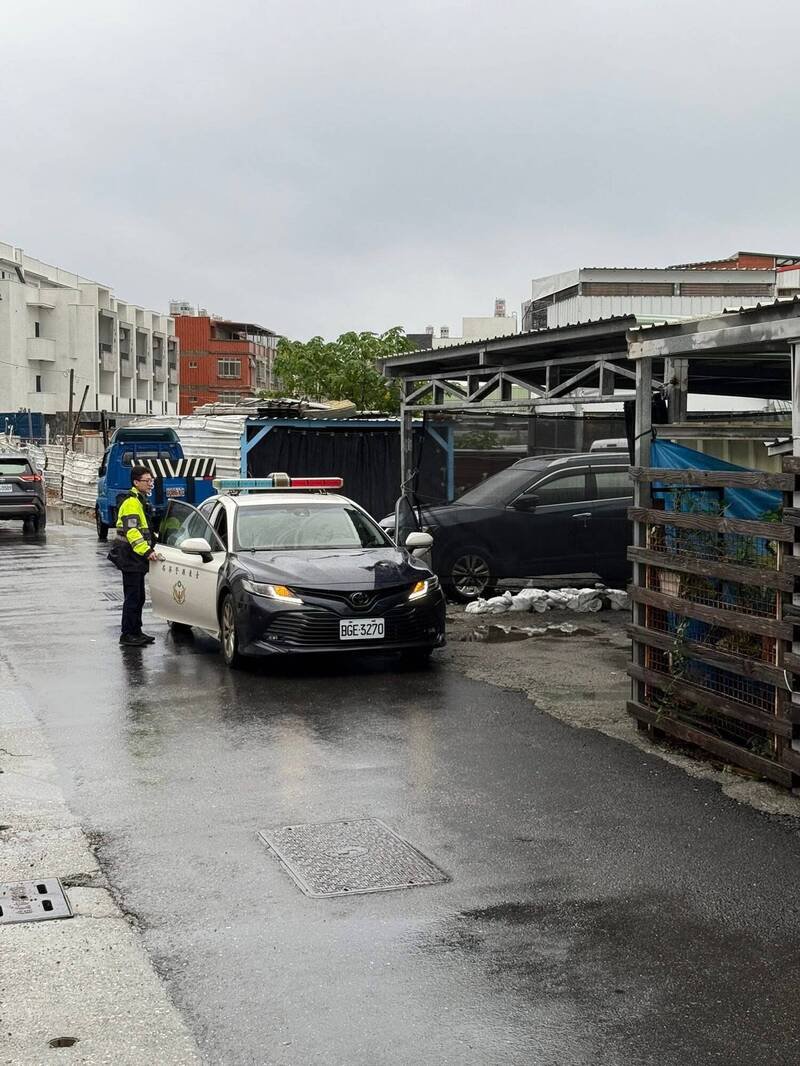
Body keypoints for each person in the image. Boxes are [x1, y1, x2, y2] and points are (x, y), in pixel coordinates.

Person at [112, 465, 160, 647]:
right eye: (147, 481)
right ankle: (128, 634)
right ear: (136, 482)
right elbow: (132, 531)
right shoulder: (131, 502)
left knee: (138, 596)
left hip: (135, 557)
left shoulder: (140, 500)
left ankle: (136, 631)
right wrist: (147, 551)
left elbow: (145, 529)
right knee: (133, 596)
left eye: (151, 481)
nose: (150, 484)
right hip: (130, 556)